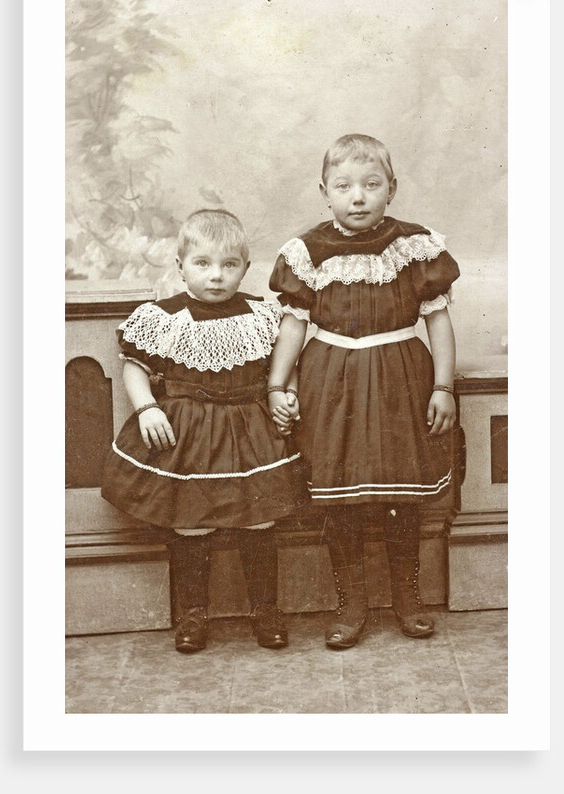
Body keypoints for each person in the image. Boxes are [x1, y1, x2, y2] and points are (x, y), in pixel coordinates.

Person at [267, 133, 460, 650]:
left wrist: (443, 386)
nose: (358, 197)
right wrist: (277, 385)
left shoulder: (415, 248)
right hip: (331, 381)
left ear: (391, 189)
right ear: (324, 192)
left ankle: (407, 598)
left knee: (402, 495)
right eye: (344, 186)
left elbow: (438, 323)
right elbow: (293, 326)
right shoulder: (308, 252)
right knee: (341, 498)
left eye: (372, 185)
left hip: (400, 377)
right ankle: (350, 603)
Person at [102, 209, 302, 653]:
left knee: (259, 520)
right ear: (181, 266)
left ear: (245, 268)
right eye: (203, 263)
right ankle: (193, 613)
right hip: (188, 433)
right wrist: (147, 408)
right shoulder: (164, 317)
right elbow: (135, 367)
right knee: (191, 524)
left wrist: (288, 392)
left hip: (249, 430)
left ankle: (265, 610)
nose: (216, 275)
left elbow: (284, 364)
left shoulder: (260, 314)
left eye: (229, 265)